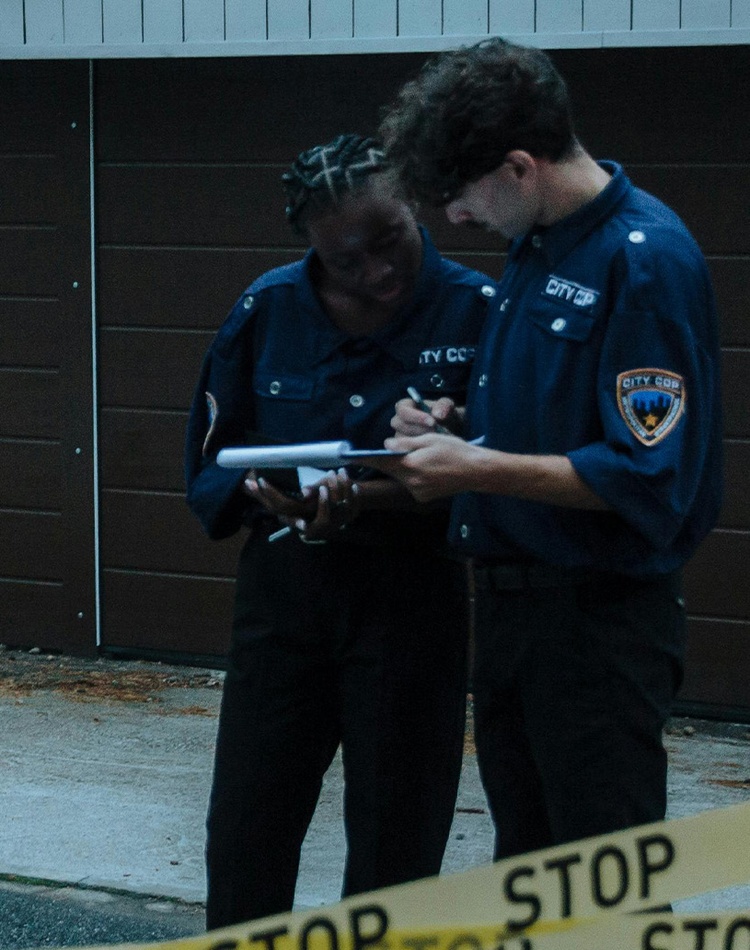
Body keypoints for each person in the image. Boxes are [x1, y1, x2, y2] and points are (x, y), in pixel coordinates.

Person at [374, 39, 723, 861]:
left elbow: (647, 476)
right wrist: (452, 430)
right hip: (512, 615)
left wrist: (477, 469)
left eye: (460, 194)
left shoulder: (645, 261)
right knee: (529, 867)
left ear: (521, 166)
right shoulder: (535, 246)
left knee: (601, 880)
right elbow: (549, 420)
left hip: (595, 627)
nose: (455, 217)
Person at [184, 133, 497, 929]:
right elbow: (212, 464)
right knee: (251, 820)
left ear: (415, 205)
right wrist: (262, 493)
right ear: (312, 250)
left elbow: (510, 475)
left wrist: (444, 450)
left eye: (389, 240)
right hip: (287, 594)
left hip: (411, 600)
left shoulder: (478, 311)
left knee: (400, 834)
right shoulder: (268, 309)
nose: (377, 272)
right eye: (345, 259)